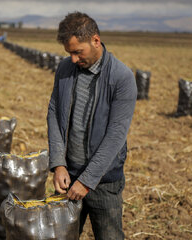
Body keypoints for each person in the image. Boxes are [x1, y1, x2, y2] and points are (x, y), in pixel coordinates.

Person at [47, 12, 137, 240]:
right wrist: (58, 164)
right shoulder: (65, 69)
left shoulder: (121, 77)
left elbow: (116, 136)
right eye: (70, 53)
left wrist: (87, 181)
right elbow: (54, 114)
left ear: (95, 41)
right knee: (59, 236)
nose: (74, 59)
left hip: (104, 183)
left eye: (78, 52)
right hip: (68, 177)